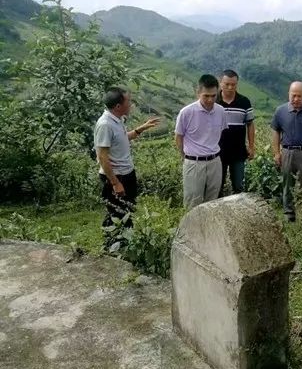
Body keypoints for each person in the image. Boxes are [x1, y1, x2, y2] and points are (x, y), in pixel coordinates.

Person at [94, 86, 159, 250]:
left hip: (127, 174)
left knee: (127, 211)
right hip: (117, 177)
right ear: (118, 106)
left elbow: (122, 138)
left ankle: (126, 245)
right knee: (116, 213)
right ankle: (112, 248)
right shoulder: (105, 125)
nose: (130, 105)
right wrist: (115, 183)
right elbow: (102, 157)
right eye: (128, 101)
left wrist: (140, 129)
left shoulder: (117, 120)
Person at [271, 81, 302, 222]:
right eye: (293, 95)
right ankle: (289, 214)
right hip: (287, 152)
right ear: (289, 94)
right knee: (287, 184)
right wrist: (276, 153)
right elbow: (275, 132)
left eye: (299, 96)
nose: (296, 99)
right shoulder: (280, 111)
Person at [175, 75, 228, 209]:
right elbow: (178, 137)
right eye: (206, 96)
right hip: (194, 162)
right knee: (193, 202)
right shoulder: (186, 112)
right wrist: (185, 157)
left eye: (213, 96)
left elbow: (220, 133)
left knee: (213, 201)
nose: (210, 100)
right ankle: (190, 230)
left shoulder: (221, 111)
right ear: (198, 93)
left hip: (215, 162)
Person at [216, 69, 255, 196]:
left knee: (239, 186)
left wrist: (251, 146)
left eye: (233, 84)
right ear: (220, 83)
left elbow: (250, 124)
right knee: (217, 186)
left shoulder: (244, 102)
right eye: (227, 84)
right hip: (216, 152)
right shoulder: (214, 101)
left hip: (238, 151)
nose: (230, 87)